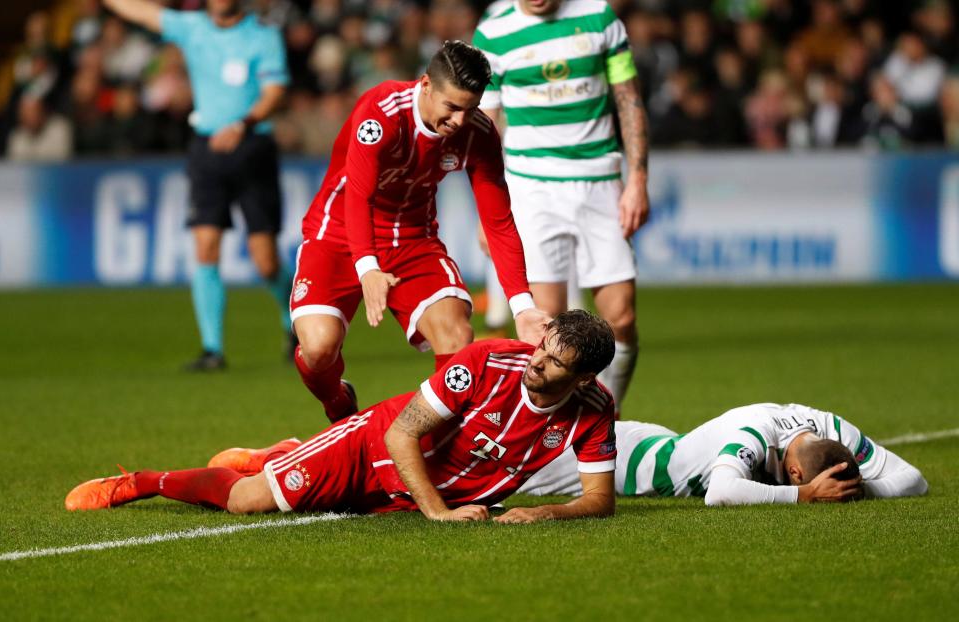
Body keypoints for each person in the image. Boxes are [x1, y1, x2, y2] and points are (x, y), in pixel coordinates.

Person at [65, 311, 617, 524]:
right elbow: (403, 433)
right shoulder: (488, 362)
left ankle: (274, 455)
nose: (535, 364)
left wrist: (545, 514)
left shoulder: (593, 410)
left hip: (410, 490)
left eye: (553, 364)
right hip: (375, 444)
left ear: (585, 380)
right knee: (245, 501)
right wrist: (440, 514)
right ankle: (140, 481)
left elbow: (599, 500)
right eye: (541, 349)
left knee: (305, 494)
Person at [290, 40, 550, 421]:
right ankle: (337, 401)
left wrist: (522, 307)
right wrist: (368, 268)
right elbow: (358, 196)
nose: (460, 120)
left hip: (413, 239)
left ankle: (442, 445)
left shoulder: (478, 134)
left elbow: (498, 221)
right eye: (452, 106)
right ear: (426, 85)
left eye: (470, 108)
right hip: (338, 232)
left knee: (458, 338)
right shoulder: (381, 113)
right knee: (318, 348)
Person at [473, 0, 650, 416]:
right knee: (545, 325)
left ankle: (608, 415)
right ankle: (548, 435)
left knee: (621, 318)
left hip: (599, 180)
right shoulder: (494, 33)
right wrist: (491, 212)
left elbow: (629, 100)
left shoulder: (600, 17)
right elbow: (486, 130)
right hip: (530, 188)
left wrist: (638, 179)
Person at [103, 0, 294, 370]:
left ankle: (293, 324)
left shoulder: (263, 36)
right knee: (205, 246)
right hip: (206, 149)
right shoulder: (192, 27)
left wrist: (244, 124)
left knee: (265, 260)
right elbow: (142, 12)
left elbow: (274, 92)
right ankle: (212, 349)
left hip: (252, 146)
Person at [519, 402, 928, 505]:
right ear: (797, 473)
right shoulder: (752, 434)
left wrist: (857, 490)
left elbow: (915, 478)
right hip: (630, 464)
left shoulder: (833, 429)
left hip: (662, 440)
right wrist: (803, 497)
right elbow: (721, 493)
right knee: (492, 474)